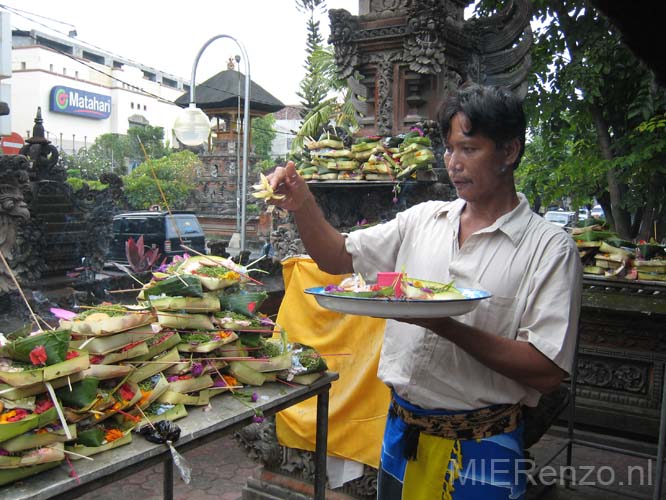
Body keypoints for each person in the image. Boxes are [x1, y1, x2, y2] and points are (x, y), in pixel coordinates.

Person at [268, 84, 582, 499]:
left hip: (484, 443)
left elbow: (546, 369)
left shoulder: (548, 248)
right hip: (402, 434)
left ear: (509, 151)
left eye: (469, 149)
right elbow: (337, 256)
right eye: (450, 149)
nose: (454, 163)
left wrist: (442, 324)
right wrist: (303, 203)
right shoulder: (422, 220)